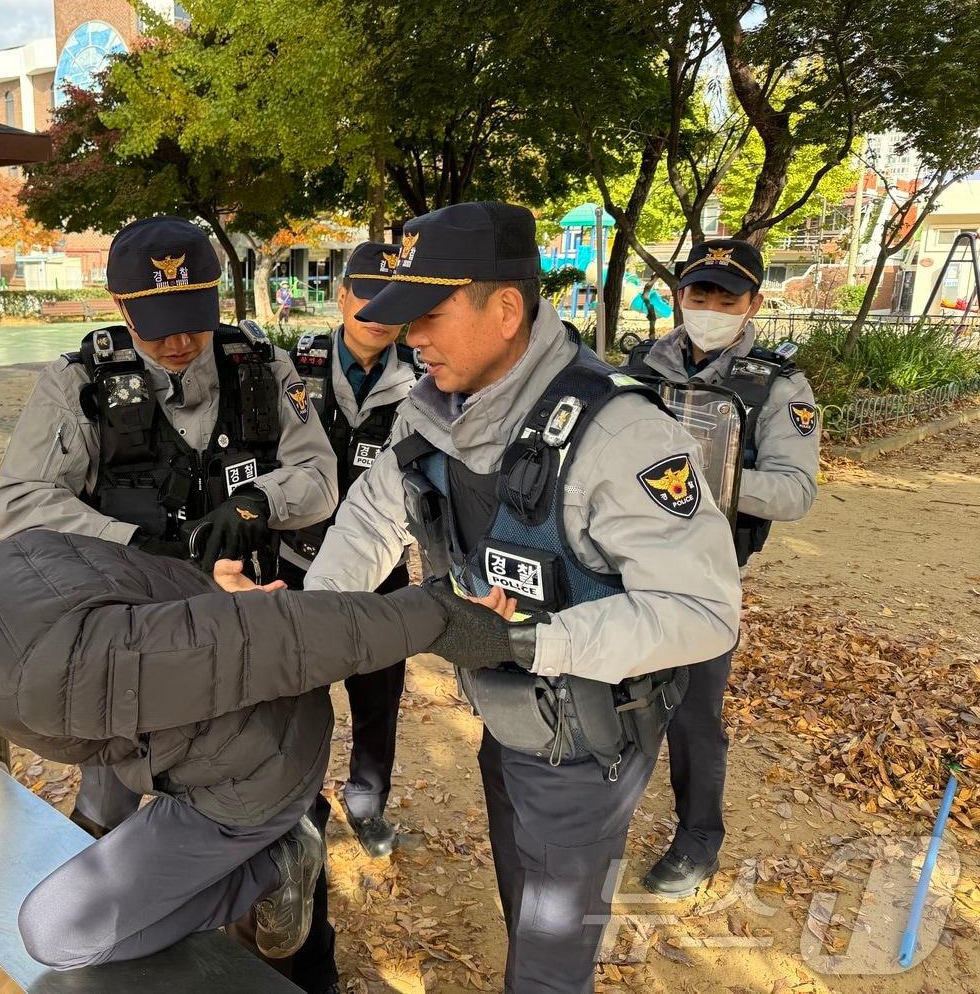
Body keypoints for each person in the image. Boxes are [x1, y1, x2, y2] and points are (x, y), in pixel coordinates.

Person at [0, 531, 508, 973]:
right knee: (92, 809)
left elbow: (277, 636)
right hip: (177, 732)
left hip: (250, 770)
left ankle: (276, 861)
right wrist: (211, 592)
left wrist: (434, 617)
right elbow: (148, 595)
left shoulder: (15, 677)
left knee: (58, 933)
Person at [303, 201, 743, 993]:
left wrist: (531, 644)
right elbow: (369, 520)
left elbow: (704, 609)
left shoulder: (619, 435)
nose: (414, 338)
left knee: (548, 955)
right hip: (508, 714)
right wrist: (295, 627)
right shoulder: (433, 407)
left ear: (505, 309)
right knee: (522, 893)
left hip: (586, 741)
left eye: (431, 315)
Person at [0, 214, 341, 990]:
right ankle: (110, 953)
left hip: (250, 621)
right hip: (128, 631)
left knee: (266, 793)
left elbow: (319, 476)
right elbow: (14, 503)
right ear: (121, 309)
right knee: (111, 800)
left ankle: (297, 953)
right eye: (158, 327)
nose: (179, 343)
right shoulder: (77, 384)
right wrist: (130, 542)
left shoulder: (259, 365)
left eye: (192, 322)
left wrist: (260, 505)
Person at [623, 238, 820, 898]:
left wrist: (713, 478)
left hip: (709, 574)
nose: (709, 307)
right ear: (680, 296)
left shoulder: (776, 385)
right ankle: (601, 819)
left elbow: (795, 490)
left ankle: (700, 837)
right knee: (617, 694)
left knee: (693, 713)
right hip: (628, 561)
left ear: (753, 304)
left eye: (725, 298)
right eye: (697, 294)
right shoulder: (639, 368)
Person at [280, 241, 422, 858]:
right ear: (341, 297)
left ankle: (366, 803)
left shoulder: (425, 377)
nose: (378, 310)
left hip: (382, 574)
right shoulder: (289, 368)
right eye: (366, 294)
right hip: (294, 566)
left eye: (395, 299)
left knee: (377, 700)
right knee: (297, 699)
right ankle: (301, 807)